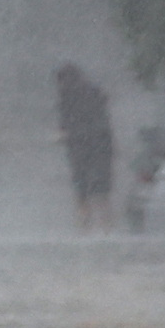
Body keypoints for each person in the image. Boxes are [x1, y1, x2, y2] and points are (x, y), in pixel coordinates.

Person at [55, 64, 116, 232]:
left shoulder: (67, 95)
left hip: (79, 146)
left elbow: (65, 123)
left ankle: (84, 226)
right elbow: (102, 116)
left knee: (81, 189)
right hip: (101, 144)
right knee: (102, 189)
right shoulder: (95, 92)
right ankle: (106, 227)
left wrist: (64, 134)